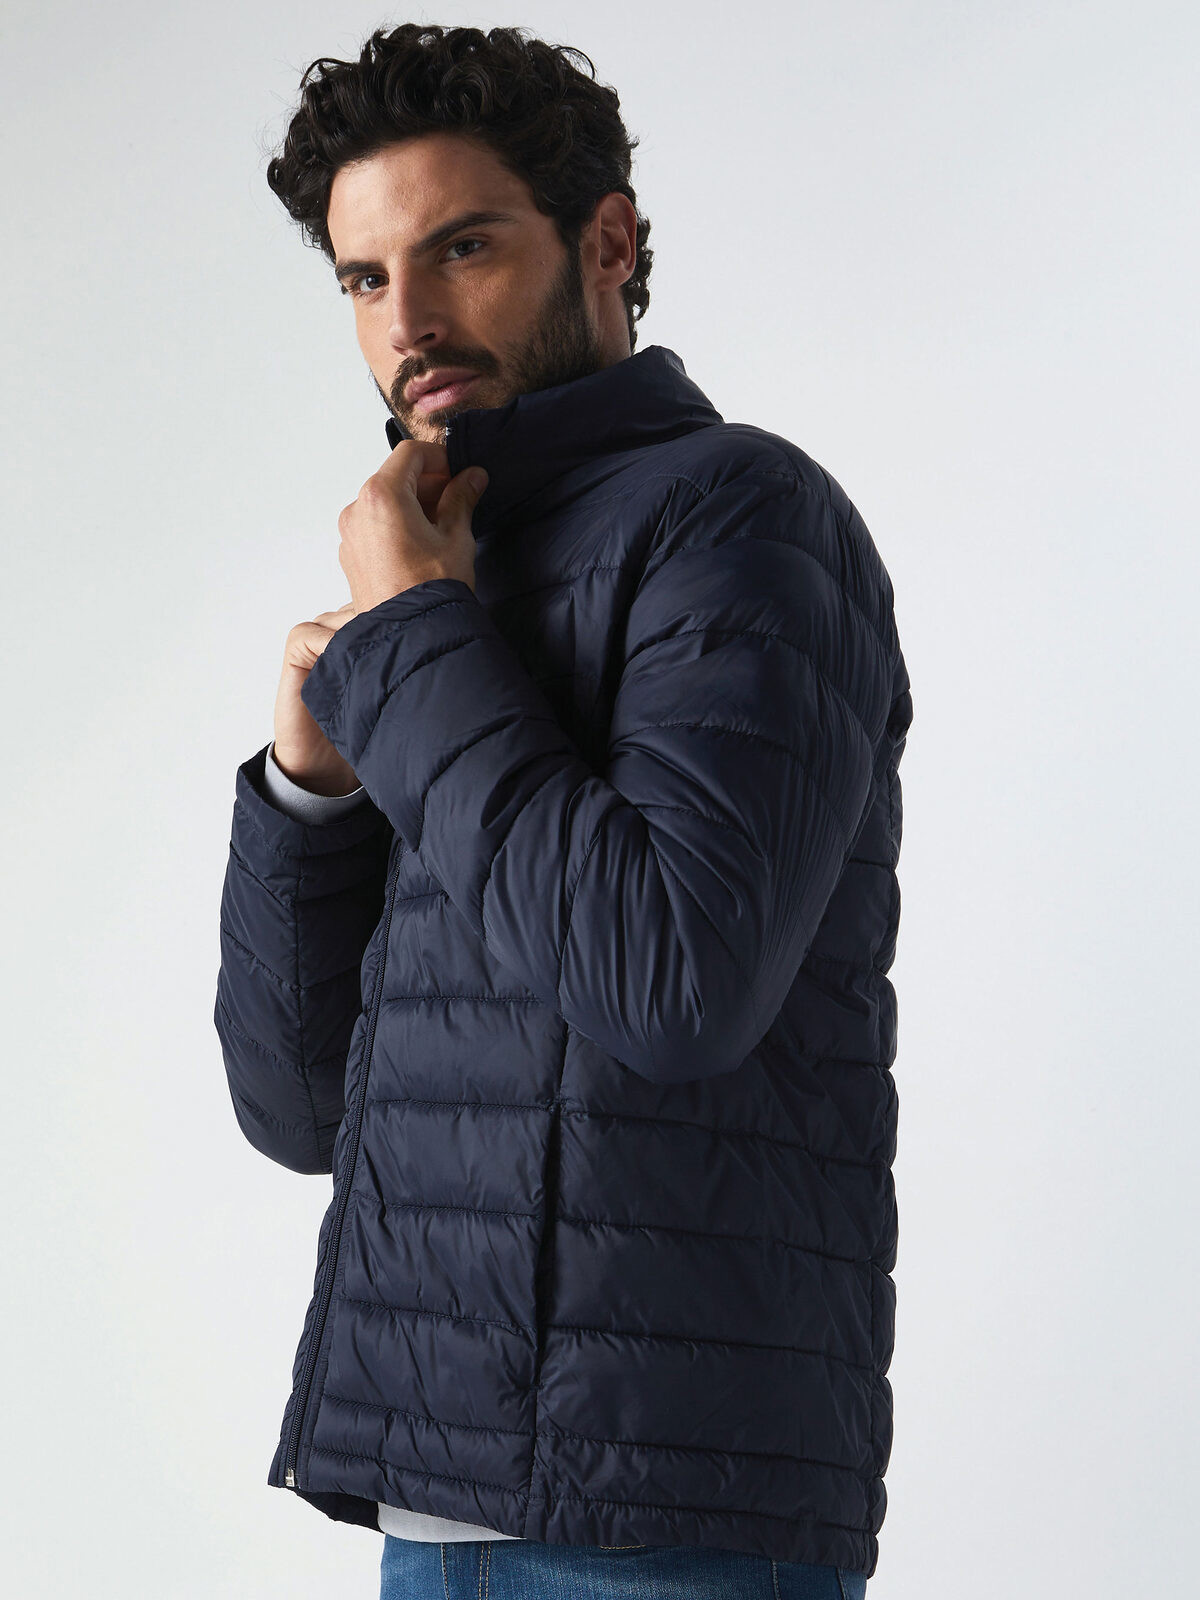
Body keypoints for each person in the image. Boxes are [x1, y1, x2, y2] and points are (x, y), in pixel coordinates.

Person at [213, 22, 911, 1600]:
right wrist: (310, 794)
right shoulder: (449, 579)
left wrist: (417, 644)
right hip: (434, 1511)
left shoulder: (740, 516)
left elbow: (670, 988)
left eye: (461, 248)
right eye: (366, 277)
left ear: (607, 243)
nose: (410, 322)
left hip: (667, 1527)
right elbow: (301, 1113)